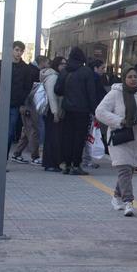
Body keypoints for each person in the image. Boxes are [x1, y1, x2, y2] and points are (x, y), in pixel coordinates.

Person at [95, 66, 137, 216]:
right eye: (129, 77)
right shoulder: (115, 93)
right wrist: (119, 121)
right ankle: (128, 202)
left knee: (128, 171)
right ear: (124, 78)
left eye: (135, 76)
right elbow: (100, 111)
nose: (133, 79)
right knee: (124, 169)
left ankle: (116, 196)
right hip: (120, 137)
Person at [55, 48, 101, 176]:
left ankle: (67, 165)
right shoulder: (86, 72)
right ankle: (76, 165)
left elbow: (57, 90)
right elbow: (91, 93)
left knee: (67, 137)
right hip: (82, 111)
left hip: (67, 110)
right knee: (79, 138)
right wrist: (95, 111)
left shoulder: (65, 71)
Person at [0, 41, 34, 151]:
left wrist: (20, 100)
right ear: (11, 50)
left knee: (9, 133)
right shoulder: (0, 65)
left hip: (14, 105)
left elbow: (27, 87)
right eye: (17, 50)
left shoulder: (25, 68)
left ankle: (3, 157)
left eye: (21, 51)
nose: (19, 53)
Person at [12, 56, 49, 164]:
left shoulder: (28, 69)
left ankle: (17, 153)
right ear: (42, 62)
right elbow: (29, 89)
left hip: (25, 104)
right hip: (30, 105)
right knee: (33, 130)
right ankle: (35, 156)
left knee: (26, 130)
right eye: (47, 62)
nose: (48, 65)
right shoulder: (34, 72)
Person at [40, 56, 65, 172]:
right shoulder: (53, 77)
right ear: (56, 65)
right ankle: (50, 163)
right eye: (62, 64)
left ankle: (51, 162)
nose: (64, 66)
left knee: (52, 136)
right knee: (52, 137)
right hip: (51, 111)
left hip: (52, 110)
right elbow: (52, 96)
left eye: (65, 64)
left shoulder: (54, 75)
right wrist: (55, 112)